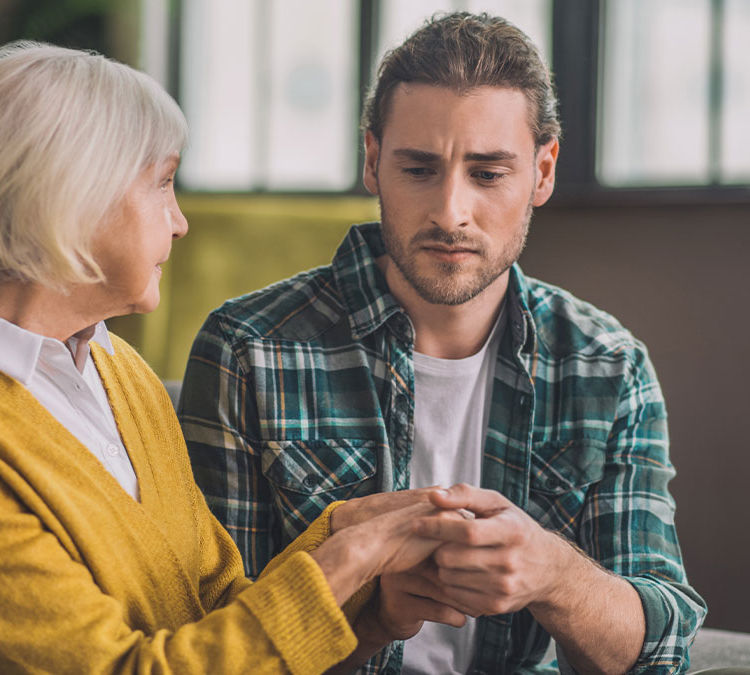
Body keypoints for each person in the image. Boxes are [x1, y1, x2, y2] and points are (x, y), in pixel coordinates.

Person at [0, 40, 464, 675]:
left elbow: (216, 613)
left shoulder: (115, 369)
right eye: (162, 183)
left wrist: (369, 600)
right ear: (70, 198)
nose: (181, 221)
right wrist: (343, 564)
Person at [179, 12, 708, 675]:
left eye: (487, 174)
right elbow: (214, 643)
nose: (451, 211)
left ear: (543, 172)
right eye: (420, 169)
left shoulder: (608, 367)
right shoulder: (246, 352)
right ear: (373, 161)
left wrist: (554, 575)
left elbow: (659, 653)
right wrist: (369, 618)